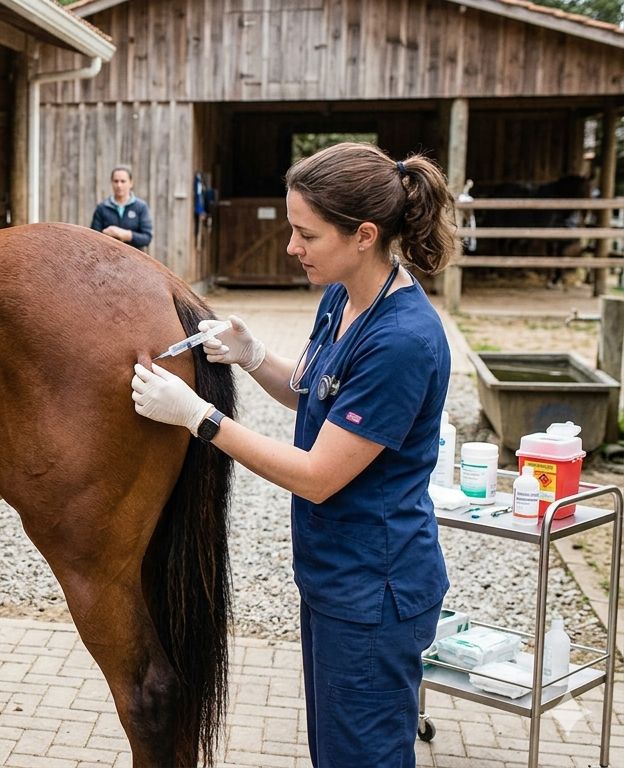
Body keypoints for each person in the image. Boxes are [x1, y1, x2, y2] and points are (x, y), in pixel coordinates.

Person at [130, 142, 459, 767]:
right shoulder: (343, 297)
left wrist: (199, 418)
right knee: (333, 751)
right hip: (334, 579)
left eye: (306, 234)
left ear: (363, 235)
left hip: (375, 592)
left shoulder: (402, 341)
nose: (291, 247)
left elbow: (317, 476)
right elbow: (313, 393)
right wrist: (254, 358)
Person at [90, 164, 153, 249]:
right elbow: (93, 238)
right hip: (108, 258)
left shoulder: (141, 207)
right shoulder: (102, 208)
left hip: (133, 259)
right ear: (111, 183)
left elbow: (147, 238)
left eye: (123, 181)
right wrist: (105, 233)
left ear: (131, 183)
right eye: (116, 181)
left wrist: (126, 235)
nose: (119, 185)